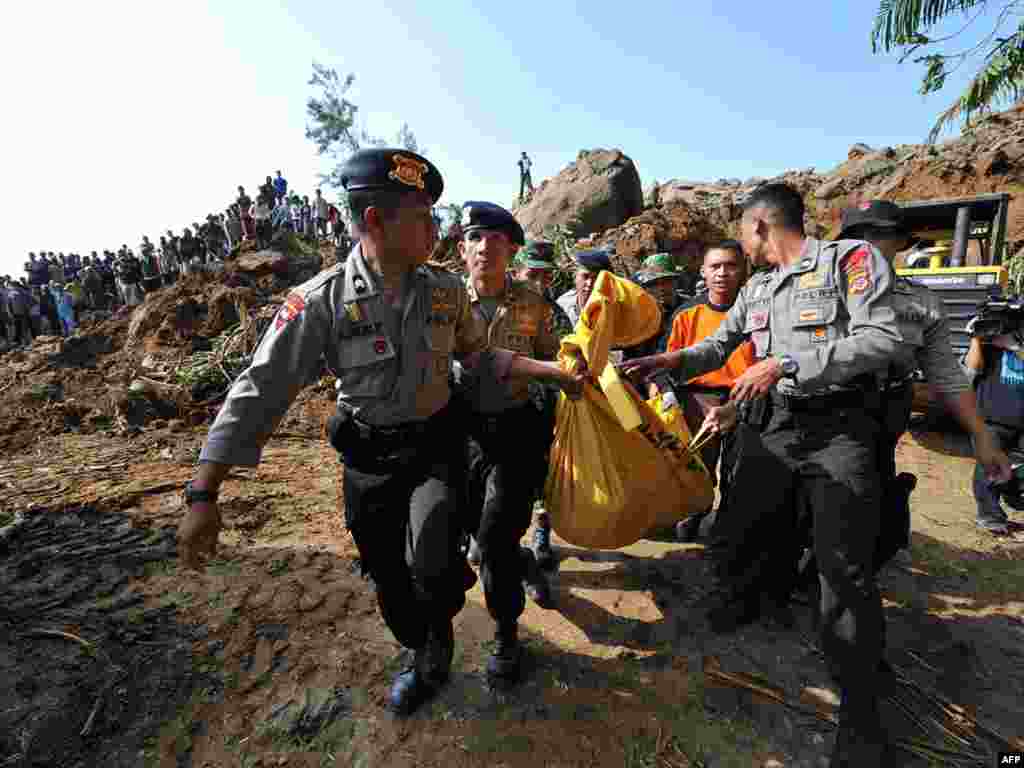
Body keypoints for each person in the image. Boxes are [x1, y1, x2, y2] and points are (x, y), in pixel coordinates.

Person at [176, 148, 585, 718]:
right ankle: (424, 645)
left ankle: (439, 627)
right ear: (375, 220)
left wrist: (549, 372)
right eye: (422, 216)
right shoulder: (323, 300)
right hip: (369, 460)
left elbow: (480, 354)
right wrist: (204, 490)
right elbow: (261, 387)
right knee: (391, 583)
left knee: (436, 559)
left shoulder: (444, 291)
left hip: (437, 450)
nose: (437, 228)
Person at [621, 182, 902, 765]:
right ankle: (749, 601)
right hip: (770, 425)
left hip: (839, 430)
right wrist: (666, 360)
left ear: (759, 227)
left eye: (744, 234)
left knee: (842, 567)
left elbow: (879, 339)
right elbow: (718, 347)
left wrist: (788, 362)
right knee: (741, 526)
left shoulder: (852, 260)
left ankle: (861, 714)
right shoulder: (758, 288)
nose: (743, 247)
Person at [837, 200, 1012, 549]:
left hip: (882, 410)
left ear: (900, 243)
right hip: (818, 411)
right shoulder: (816, 291)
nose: (867, 245)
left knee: (868, 496)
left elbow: (946, 372)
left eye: (879, 235)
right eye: (858, 236)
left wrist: (980, 433)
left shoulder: (922, 303)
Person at [455, 201, 563, 686]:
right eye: (476, 239)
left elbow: (553, 361)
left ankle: (505, 632)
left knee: (495, 537)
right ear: (462, 249)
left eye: (496, 241)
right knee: (474, 532)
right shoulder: (442, 302)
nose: (485, 248)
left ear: (512, 250)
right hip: (455, 436)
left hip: (515, 433)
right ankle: (522, 561)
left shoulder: (535, 303)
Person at [665, 241, 756, 544]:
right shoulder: (686, 314)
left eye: (730, 266)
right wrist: (669, 396)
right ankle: (695, 513)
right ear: (703, 271)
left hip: (745, 397)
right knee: (697, 466)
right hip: (697, 399)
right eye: (715, 266)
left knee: (741, 468)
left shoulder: (759, 312)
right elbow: (669, 362)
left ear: (744, 270)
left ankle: (729, 525)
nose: (722, 273)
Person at [556, 248, 614, 327]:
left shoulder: (613, 307)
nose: (589, 283)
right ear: (575, 277)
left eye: (596, 278)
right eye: (585, 277)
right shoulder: (562, 305)